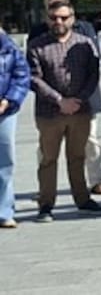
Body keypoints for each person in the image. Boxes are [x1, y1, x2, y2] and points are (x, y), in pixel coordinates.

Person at [27, 0, 101, 221]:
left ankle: (82, 199)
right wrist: (59, 100)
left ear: (72, 19)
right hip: (49, 113)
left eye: (63, 17)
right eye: (54, 18)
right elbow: (34, 78)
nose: (58, 21)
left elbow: (94, 75)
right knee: (48, 159)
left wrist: (78, 99)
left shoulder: (84, 43)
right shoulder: (37, 45)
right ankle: (45, 204)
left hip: (80, 111)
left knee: (77, 156)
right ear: (47, 19)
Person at [0, 27, 30, 229]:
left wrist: (9, 100)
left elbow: (22, 75)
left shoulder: (9, 48)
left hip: (4, 111)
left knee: (4, 161)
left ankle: (4, 211)